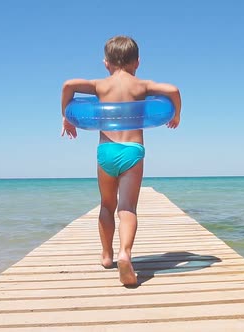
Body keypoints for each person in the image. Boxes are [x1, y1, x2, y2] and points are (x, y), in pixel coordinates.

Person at [60, 36, 181, 286]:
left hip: (107, 151)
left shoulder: (100, 85)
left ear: (106, 63)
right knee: (127, 207)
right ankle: (125, 254)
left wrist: (66, 118)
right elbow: (173, 90)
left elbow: (68, 85)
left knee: (106, 205)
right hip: (132, 150)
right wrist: (176, 114)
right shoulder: (142, 85)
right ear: (137, 62)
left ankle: (107, 256)